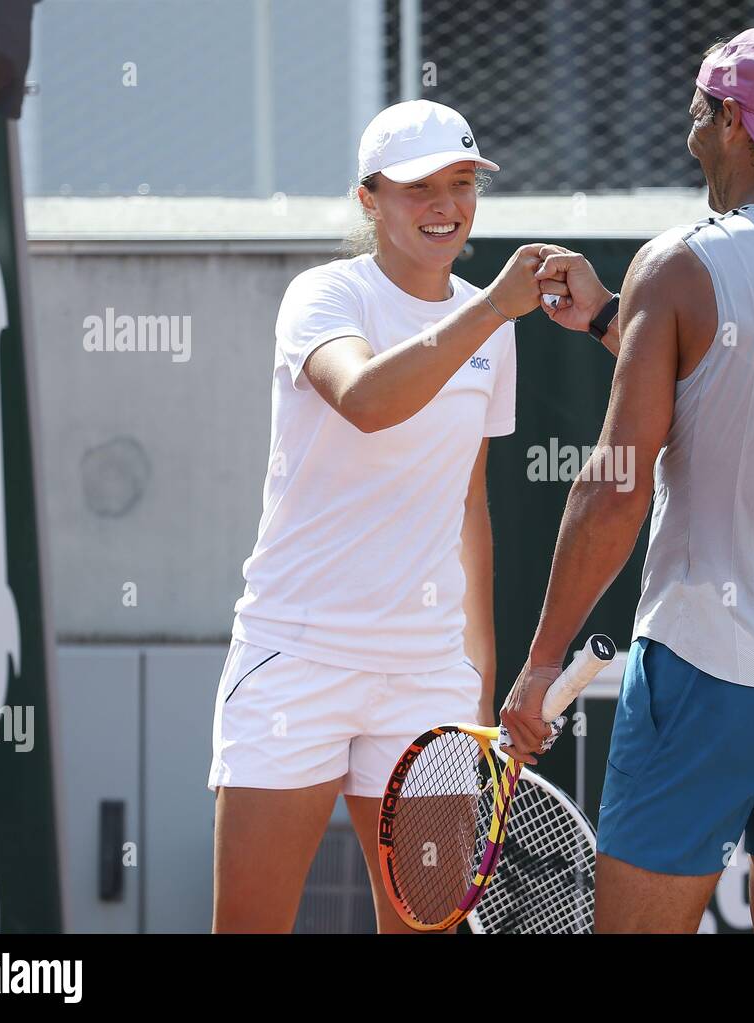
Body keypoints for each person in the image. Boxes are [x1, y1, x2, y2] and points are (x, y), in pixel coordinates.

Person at [499, 28, 754, 933]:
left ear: (729, 121)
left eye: (698, 107)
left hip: (707, 670)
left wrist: (539, 665)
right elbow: (744, 391)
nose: (688, 126)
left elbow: (613, 485)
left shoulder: (680, 264)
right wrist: (615, 315)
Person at [208, 99, 556, 933]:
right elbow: (366, 400)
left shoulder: (490, 324)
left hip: (425, 676)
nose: (446, 206)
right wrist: (489, 310)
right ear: (369, 199)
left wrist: (477, 684)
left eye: (462, 183)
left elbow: (469, 504)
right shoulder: (323, 297)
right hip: (297, 656)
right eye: (418, 188)